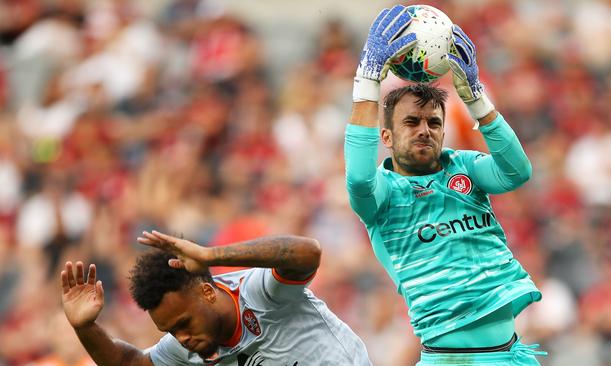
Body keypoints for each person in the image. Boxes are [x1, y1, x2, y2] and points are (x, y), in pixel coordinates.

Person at [345, 5, 545, 365]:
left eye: (433, 123)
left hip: (512, 355)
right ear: (386, 136)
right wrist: (367, 80)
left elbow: (518, 172)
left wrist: (475, 98)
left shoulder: (464, 166)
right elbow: (358, 177)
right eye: (411, 122)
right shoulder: (383, 195)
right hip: (451, 360)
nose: (425, 129)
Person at [60, 231, 372, 365]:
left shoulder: (259, 293)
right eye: (170, 331)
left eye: (183, 324)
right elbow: (129, 364)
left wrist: (211, 255)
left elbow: (308, 253)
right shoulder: (189, 349)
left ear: (207, 291)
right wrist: (85, 328)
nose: (181, 338)